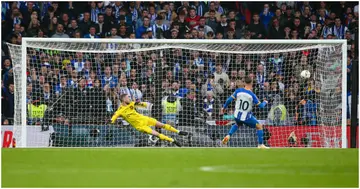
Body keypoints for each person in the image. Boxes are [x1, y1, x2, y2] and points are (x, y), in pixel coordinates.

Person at [110, 94, 189, 147]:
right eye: (128, 97)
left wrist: (145, 104)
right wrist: (112, 121)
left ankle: (178, 132)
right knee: (157, 134)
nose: (129, 98)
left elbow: (141, 104)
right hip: (140, 126)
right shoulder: (120, 110)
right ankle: (172, 140)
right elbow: (114, 116)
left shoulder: (131, 103)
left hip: (145, 119)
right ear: (123, 100)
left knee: (162, 125)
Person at [220, 76, 269, 149]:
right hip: (246, 117)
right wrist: (265, 102)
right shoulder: (252, 95)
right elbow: (261, 106)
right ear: (251, 83)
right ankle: (260, 144)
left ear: (244, 83)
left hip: (236, 115)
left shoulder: (238, 91)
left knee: (237, 124)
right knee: (259, 126)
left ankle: (228, 135)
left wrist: (223, 108)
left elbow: (229, 100)